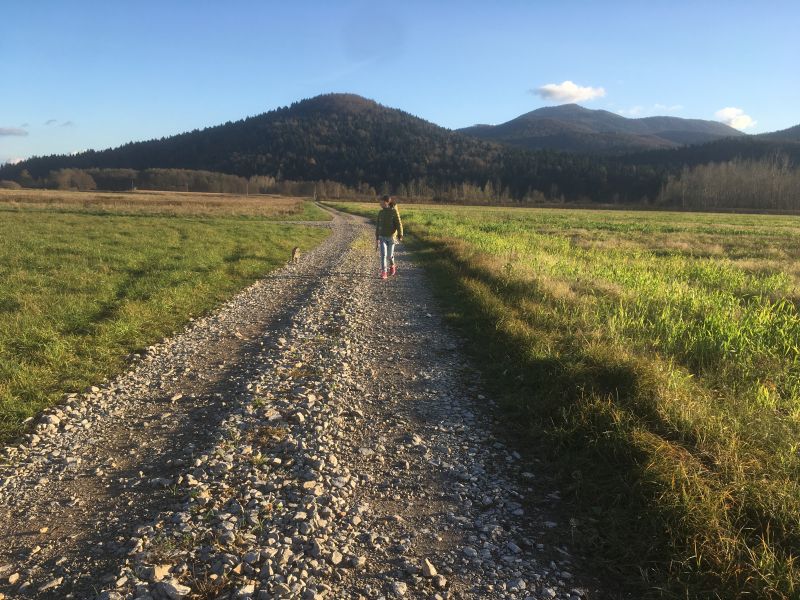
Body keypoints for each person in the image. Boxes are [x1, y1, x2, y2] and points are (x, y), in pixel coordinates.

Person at [375, 194, 403, 279]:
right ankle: (384, 272)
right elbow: (378, 226)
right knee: (383, 255)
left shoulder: (394, 212)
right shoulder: (380, 213)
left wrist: (400, 234)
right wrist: (377, 237)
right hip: (382, 237)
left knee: (389, 256)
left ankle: (392, 265)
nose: (380, 204)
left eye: (381, 202)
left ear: (386, 202)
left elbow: (398, 223)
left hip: (391, 238)